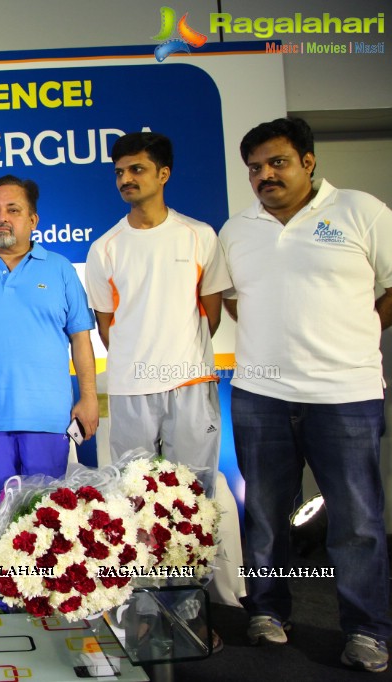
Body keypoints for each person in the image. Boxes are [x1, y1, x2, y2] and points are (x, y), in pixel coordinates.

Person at [220, 117, 392, 671]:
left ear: (308, 162)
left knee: (358, 521)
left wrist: (355, 332)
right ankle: (268, 612)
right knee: (266, 515)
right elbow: (233, 300)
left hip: (346, 392)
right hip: (260, 395)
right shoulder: (237, 229)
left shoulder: (361, 211)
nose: (265, 175)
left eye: (277, 163)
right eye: (255, 168)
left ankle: (367, 629)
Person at [85, 132, 230, 495]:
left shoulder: (199, 235)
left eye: (137, 169)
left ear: (163, 174)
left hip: (191, 384)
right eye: (119, 172)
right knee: (133, 497)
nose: (126, 179)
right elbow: (106, 326)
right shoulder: (105, 248)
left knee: (195, 495)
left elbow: (211, 314)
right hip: (130, 388)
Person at [0, 175, 98, 502]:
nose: (2, 218)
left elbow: (81, 341)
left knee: (47, 523)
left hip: (48, 419)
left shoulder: (60, 270)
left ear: (33, 220)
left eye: (13, 210)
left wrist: (89, 397)